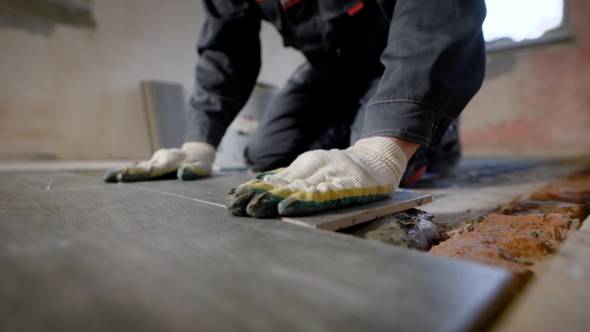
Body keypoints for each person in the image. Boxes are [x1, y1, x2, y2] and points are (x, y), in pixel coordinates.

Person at [102, 0, 487, 218]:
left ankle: (431, 134)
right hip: (329, 72)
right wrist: (199, 141)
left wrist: (382, 149)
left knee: (380, 156)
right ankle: (361, 126)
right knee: (265, 154)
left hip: (396, 62)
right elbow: (225, 51)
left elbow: (438, 12)